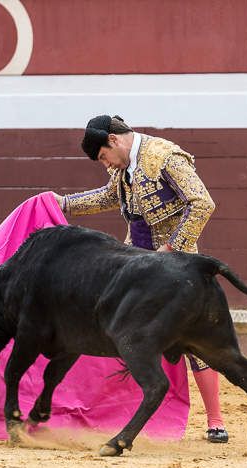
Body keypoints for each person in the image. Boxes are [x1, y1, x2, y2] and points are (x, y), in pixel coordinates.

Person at [51, 114, 229, 443]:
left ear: (113, 141)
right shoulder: (122, 168)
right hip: (135, 264)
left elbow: (202, 203)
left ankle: (216, 420)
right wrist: (65, 204)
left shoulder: (164, 157)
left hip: (177, 263)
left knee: (195, 341)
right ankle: (117, 413)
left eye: (103, 155)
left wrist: (170, 247)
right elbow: (108, 197)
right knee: (115, 331)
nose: (104, 163)